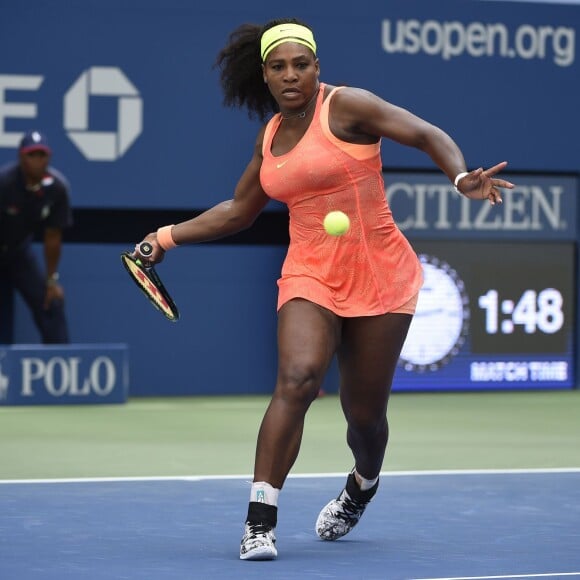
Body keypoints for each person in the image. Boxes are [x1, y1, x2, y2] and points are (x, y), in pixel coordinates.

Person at [134, 18, 514, 561]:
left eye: (301, 64)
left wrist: (459, 178)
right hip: (310, 271)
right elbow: (239, 210)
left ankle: (364, 481)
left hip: (381, 273)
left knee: (364, 418)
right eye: (279, 67)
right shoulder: (269, 137)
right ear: (264, 75)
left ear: (317, 67)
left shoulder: (348, 106)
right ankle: (259, 522)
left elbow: (426, 133)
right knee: (298, 377)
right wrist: (165, 237)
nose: (291, 75)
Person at [0, 131, 72, 344]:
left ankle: (62, 362)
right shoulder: (4, 184)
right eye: (32, 155)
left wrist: (52, 281)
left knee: (51, 302)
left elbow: (53, 236)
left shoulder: (57, 189)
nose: (38, 161)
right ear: (22, 157)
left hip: (18, 252)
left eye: (42, 155)